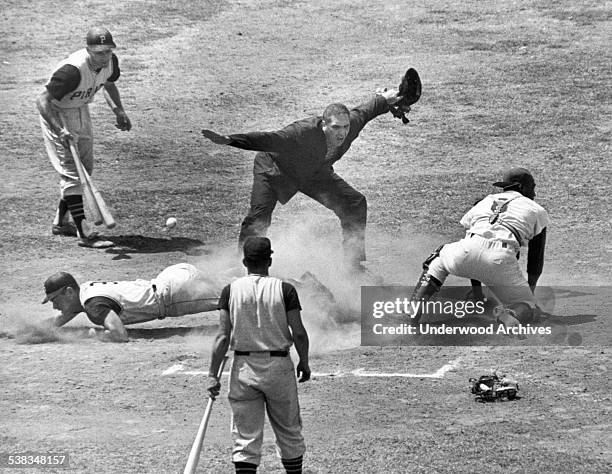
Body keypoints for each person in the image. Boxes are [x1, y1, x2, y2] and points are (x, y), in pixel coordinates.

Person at [201, 87, 410, 274]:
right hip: (274, 169)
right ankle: (244, 267)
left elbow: (367, 110)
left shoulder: (350, 125)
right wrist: (231, 140)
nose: (342, 133)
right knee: (258, 217)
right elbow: (270, 139)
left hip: (313, 173)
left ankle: (352, 265)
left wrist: (388, 98)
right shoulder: (302, 132)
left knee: (354, 203)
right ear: (324, 125)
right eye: (336, 128)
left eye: (345, 127)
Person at [206, 237, 311, 474]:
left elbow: (222, 337)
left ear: (244, 261)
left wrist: (213, 375)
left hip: (243, 367)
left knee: (245, 437)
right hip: (279, 366)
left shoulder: (229, 291)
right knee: (289, 431)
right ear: (269, 260)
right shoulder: (285, 290)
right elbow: (300, 334)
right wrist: (304, 361)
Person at [410, 167, 549, 327]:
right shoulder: (537, 210)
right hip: (501, 259)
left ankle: (414, 306)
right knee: (528, 306)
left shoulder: (484, 201)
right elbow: (535, 261)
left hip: (465, 252)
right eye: (532, 187)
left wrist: (477, 294)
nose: (534, 194)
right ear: (521, 187)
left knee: (438, 259)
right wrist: (528, 296)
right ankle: (509, 315)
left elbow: (476, 248)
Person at [36, 26, 132, 249]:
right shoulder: (72, 71)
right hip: (57, 113)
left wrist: (119, 110)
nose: (104, 56)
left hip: (80, 110)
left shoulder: (110, 62)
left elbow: (108, 83)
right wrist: (60, 129)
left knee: (85, 169)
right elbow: (42, 100)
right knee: (71, 172)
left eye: (108, 51)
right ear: (88, 50)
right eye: (99, 52)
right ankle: (85, 232)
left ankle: (61, 222)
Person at [41, 263, 222, 342]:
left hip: (175, 295)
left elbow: (120, 334)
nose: (54, 306)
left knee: (235, 294)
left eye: (55, 300)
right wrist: (23, 330)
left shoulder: (93, 305)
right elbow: (60, 317)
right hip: (172, 277)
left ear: (69, 292)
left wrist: (91, 334)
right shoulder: (85, 292)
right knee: (231, 281)